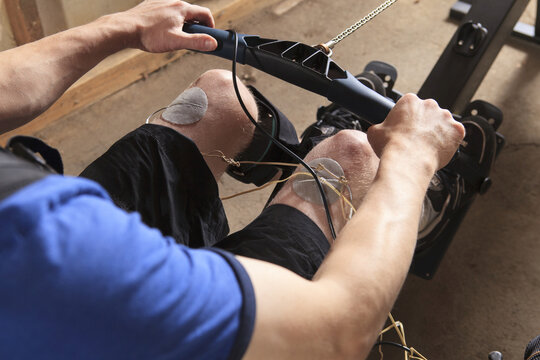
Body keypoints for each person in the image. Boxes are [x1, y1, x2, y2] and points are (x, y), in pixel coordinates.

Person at [0, 1, 465, 359]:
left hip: (52, 216)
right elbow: (337, 333)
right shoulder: (58, 271)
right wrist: (413, 158)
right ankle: (382, 200)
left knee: (220, 96)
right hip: (102, 303)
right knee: (353, 153)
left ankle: (288, 157)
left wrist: (122, 25)